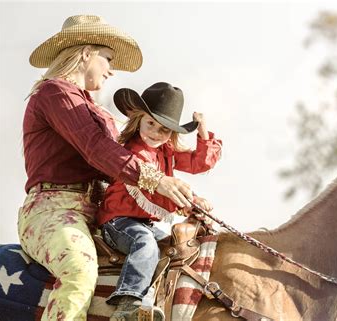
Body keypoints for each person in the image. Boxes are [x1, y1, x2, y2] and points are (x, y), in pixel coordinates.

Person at [18, 15, 195, 321]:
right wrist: (156, 180)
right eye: (108, 58)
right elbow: (97, 149)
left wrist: (181, 196)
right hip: (53, 211)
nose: (112, 69)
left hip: (96, 214)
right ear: (86, 52)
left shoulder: (95, 110)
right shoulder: (55, 93)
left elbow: (118, 160)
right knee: (79, 272)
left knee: (161, 258)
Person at [96, 82, 222, 320]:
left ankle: (153, 300)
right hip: (119, 221)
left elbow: (198, 162)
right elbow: (154, 191)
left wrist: (203, 134)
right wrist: (190, 201)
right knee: (145, 244)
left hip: (145, 223)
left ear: (171, 134)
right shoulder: (134, 153)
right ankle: (128, 302)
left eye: (164, 129)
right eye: (150, 123)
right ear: (138, 120)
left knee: (172, 251)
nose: (155, 133)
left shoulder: (166, 151)